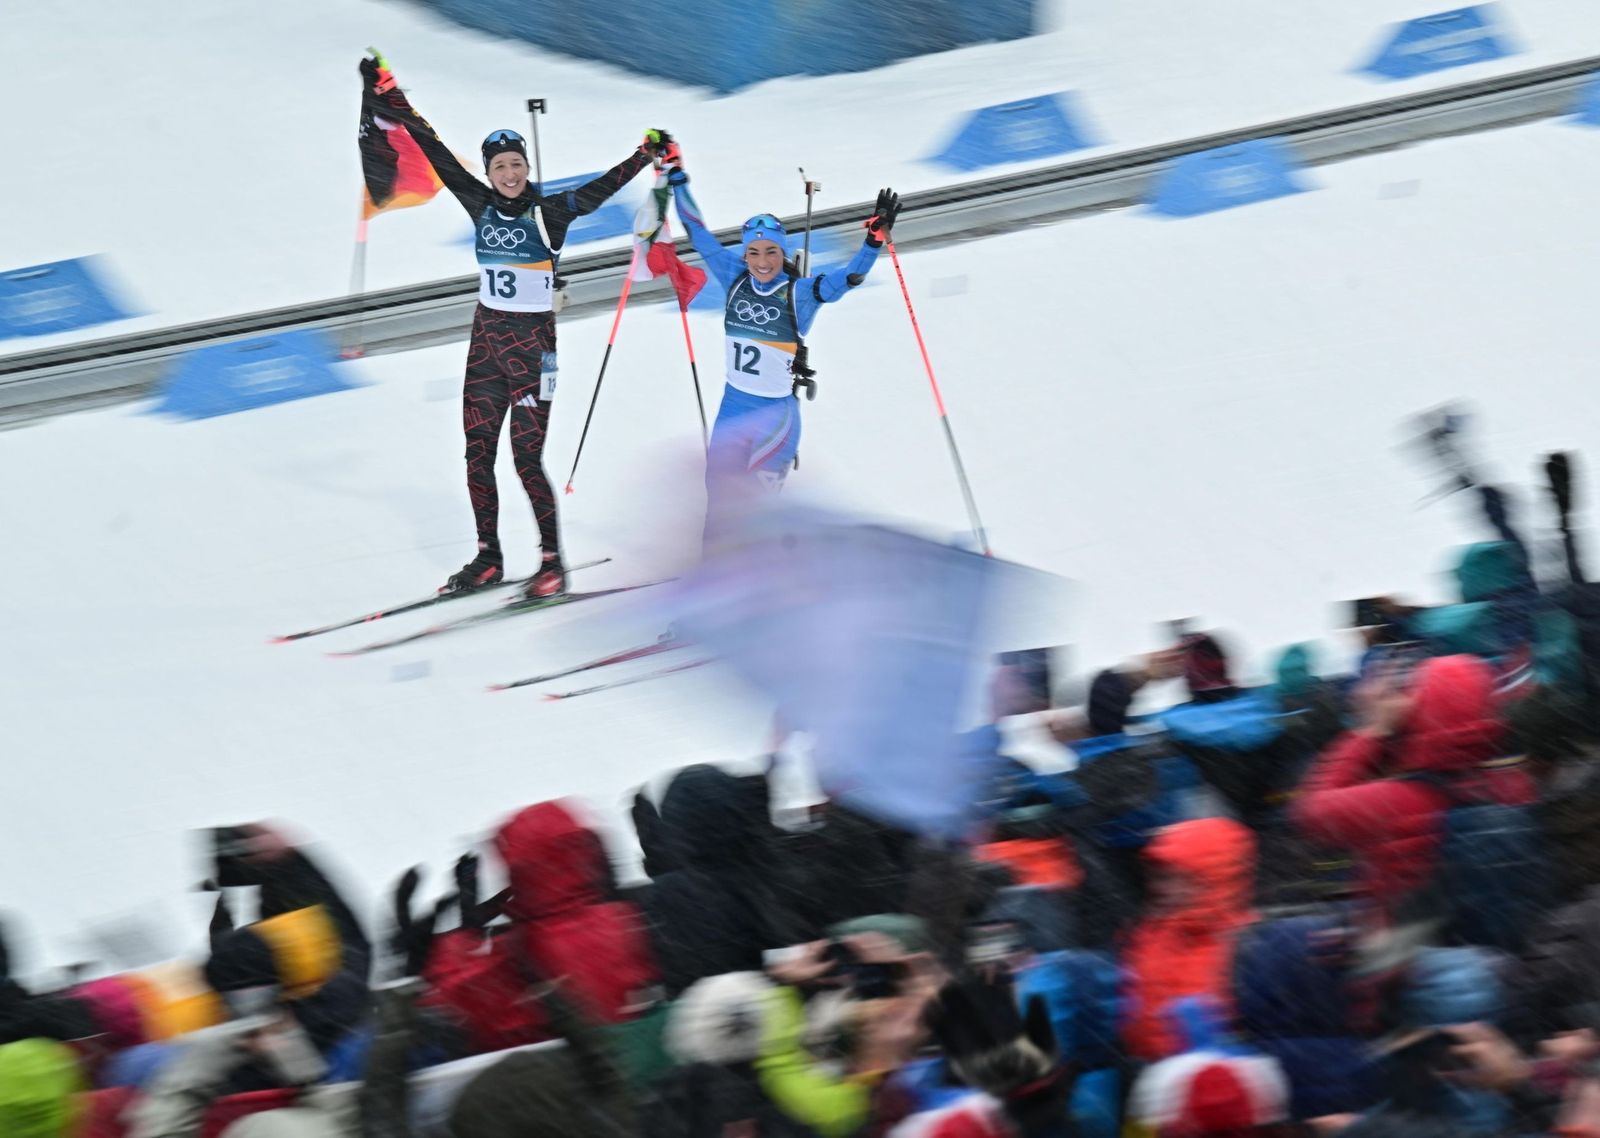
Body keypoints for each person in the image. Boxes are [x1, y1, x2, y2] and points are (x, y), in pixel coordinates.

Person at [359, 53, 668, 597]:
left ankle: (552, 562)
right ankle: (488, 558)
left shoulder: (550, 212)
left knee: (526, 457)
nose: (509, 173)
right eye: (500, 166)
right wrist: (389, 92)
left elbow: (602, 187)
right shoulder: (477, 202)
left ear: (527, 167)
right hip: (486, 343)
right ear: (488, 171)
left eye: (516, 165)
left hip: (533, 349)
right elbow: (431, 145)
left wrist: (646, 154)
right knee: (477, 451)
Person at [660, 145, 899, 540]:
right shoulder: (733, 274)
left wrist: (872, 242)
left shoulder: (799, 292)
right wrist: (678, 177)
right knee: (718, 497)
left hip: (776, 417)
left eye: (771, 251)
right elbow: (698, 232)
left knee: (757, 508)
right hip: (733, 407)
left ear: (782, 251)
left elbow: (848, 279)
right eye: (754, 252)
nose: (762, 261)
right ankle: (713, 575)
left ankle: (773, 575)